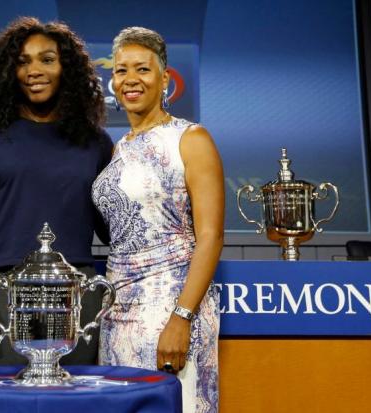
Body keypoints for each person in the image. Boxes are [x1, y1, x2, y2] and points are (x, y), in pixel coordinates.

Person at [0, 17, 113, 368]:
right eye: (22, 62)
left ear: (67, 68)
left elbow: (112, 228)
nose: (34, 70)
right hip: (2, 291)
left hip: (77, 294)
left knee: (76, 404)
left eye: (47, 59)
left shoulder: (94, 142)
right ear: (9, 72)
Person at [91, 27, 224, 413]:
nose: (130, 80)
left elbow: (211, 236)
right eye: (120, 71)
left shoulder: (191, 139)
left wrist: (181, 318)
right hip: (117, 310)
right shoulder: (120, 148)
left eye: (142, 70)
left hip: (171, 306)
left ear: (165, 79)